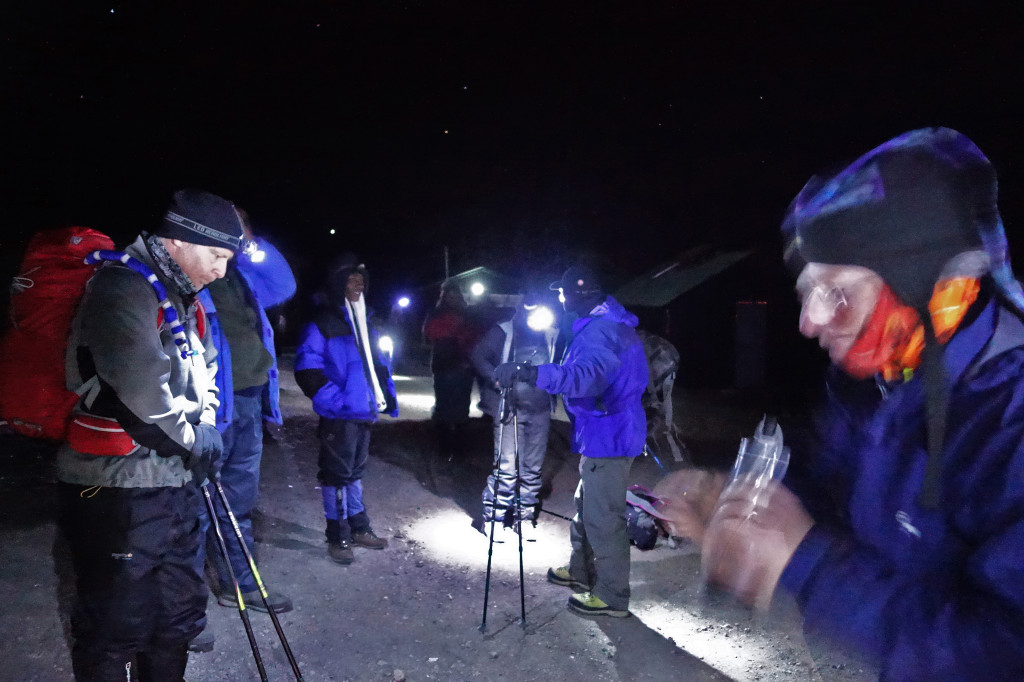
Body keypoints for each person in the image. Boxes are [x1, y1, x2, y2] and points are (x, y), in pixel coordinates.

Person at [666, 127, 1024, 678]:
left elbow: (1002, 652)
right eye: (806, 293)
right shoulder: (876, 378)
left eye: (836, 293)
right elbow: (835, 484)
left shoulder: (1008, 418)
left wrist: (805, 562)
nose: (808, 322)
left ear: (919, 283)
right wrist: (736, 501)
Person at [57, 188, 241, 681]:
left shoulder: (180, 294)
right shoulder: (122, 286)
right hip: (118, 487)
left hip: (172, 483)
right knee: (117, 625)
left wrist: (205, 424)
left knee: (176, 618)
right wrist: (191, 438)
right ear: (179, 241)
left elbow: (205, 369)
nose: (221, 271)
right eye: (217, 256)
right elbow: (140, 385)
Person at [494, 265, 648, 617]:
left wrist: (530, 373)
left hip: (610, 435)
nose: (560, 299)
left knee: (603, 517)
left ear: (581, 293)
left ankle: (612, 596)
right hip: (601, 433)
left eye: (563, 293)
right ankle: (581, 572)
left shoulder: (602, 331)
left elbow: (585, 377)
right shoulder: (603, 324)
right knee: (587, 507)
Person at [194, 207, 297, 634]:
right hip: (211, 406)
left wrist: (251, 243)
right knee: (195, 507)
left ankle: (240, 584)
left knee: (238, 500)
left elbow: (285, 284)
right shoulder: (195, 276)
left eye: (242, 224)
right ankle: (187, 611)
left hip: (250, 400)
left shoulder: (242, 274)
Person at [294, 254, 398, 565]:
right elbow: (307, 369)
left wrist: (384, 397)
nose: (358, 285)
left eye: (361, 280)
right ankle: (336, 534)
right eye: (350, 279)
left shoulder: (366, 320)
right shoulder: (323, 322)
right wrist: (336, 402)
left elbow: (376, 365)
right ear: (337, 283)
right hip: (341, 415)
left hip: (363, 412)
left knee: (354, 474)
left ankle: (359, 528)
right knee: (336, 476)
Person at [470, 291, 558, 529]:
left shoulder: (552, 335)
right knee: (507, 467)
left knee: (532, 469)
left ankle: (524, 517)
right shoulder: (504, 331)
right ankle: (494, 518)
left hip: (539, 411)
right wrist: (496, 379)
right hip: (510, 410)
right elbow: (478, 355)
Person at [422, 279, 477, 461]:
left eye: (455, 293)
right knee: (444, 407)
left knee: (461, 409)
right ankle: (444, 448)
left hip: (463, 366)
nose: (452, 297)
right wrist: (452, 328)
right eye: (448, 294)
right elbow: (429, 333)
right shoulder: (437, 313)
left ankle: (460, 449)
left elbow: (473, 337)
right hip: (444, 366)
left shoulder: (467, 314)